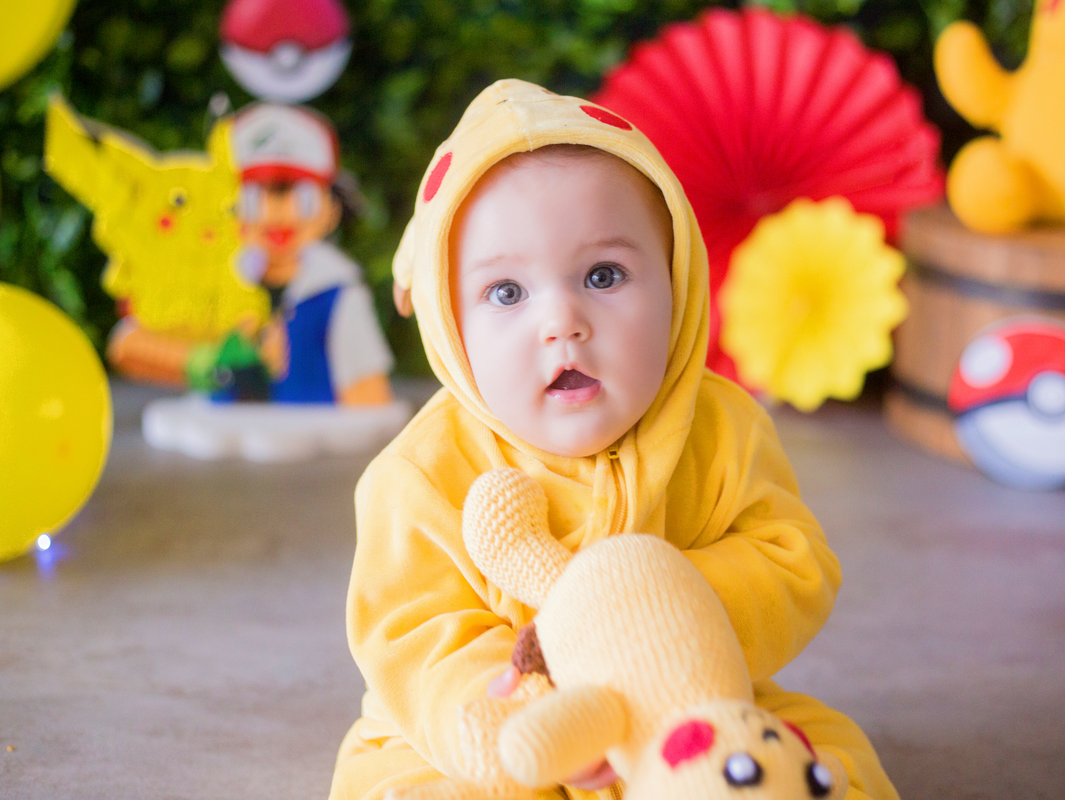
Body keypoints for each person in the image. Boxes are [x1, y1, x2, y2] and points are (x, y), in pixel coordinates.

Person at [330, 80, 899, 800]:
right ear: (450, 323)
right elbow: (411, 633)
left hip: (694, 711)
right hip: (513, 737)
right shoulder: (420, 474)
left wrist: (662, 620)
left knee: (834, 761)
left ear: (678, 284)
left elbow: (793, 563)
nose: (562, 321)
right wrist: (519, 710)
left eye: (604, 275)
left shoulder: (722, 427)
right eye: (507, 292)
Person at [229, 102, 394, 404]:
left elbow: (368, 398)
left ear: (331, 210)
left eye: (301, 197)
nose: (275, 213)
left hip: (317, 445)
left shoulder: (339, 294)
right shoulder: (225, 285)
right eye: (254, 198)